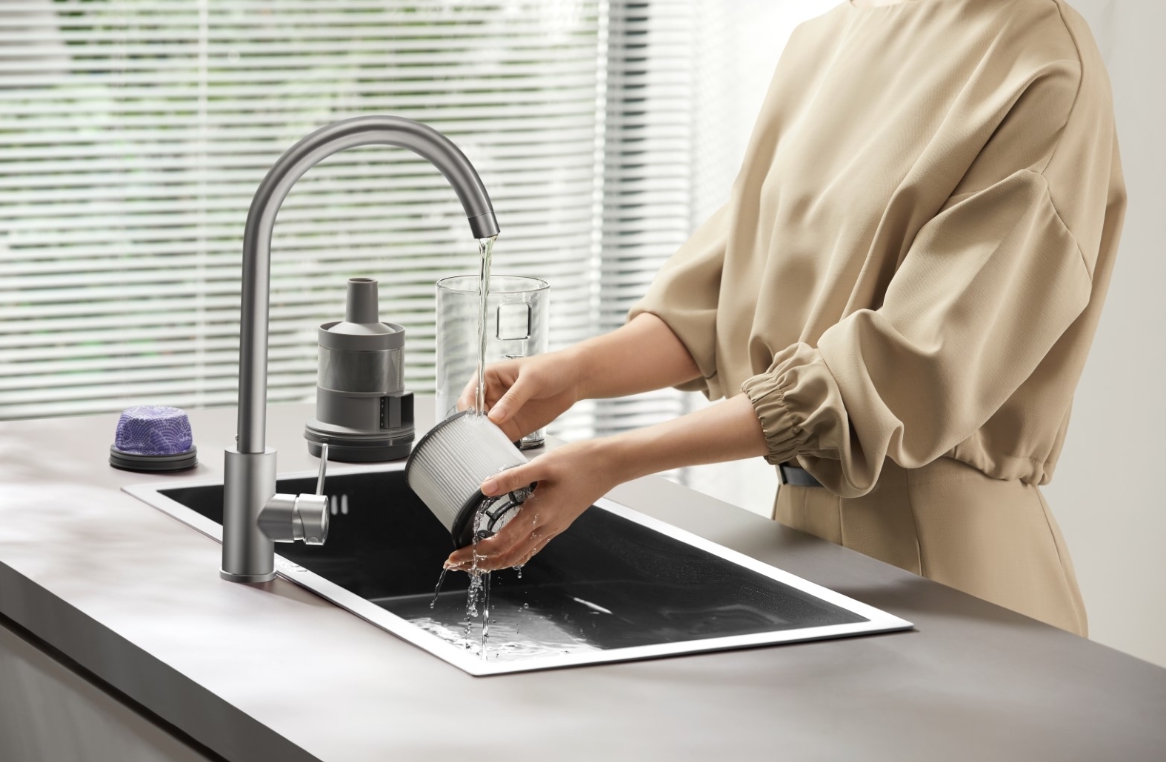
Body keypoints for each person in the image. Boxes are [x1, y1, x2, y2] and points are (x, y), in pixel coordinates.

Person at [446, 0, 1126, 637]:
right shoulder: (830, 38)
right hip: (800, 543)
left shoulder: (1042, 67)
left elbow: (891, 377)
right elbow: (732, 290)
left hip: (949, 572)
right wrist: (574, 375)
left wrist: (613, 460)